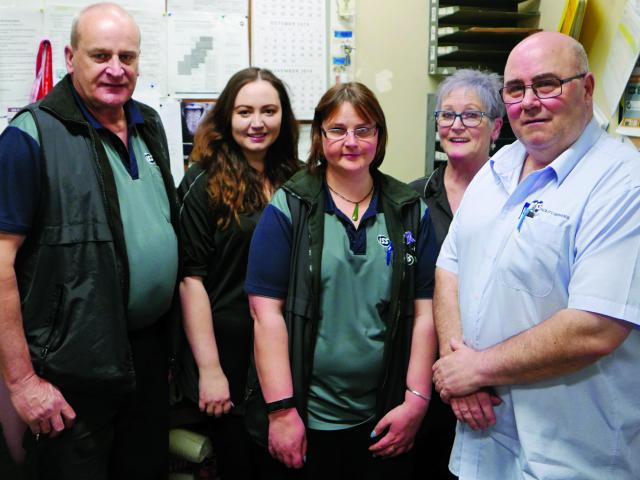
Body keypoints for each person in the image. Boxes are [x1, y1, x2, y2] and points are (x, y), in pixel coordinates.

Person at [431, 31, 640, 479]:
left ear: (586, 89)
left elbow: (596, 327)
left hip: (568, 456)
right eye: (515, 89)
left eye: (547, 84)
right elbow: (450, 264)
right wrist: (456, 362)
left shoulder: (623, 183)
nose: (530, 101)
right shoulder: (499, 166)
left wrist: (474, 370)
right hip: (481, 445)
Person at [0, 3, 179, 479]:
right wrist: (21, 383)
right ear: (69, 56)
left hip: (145, 359)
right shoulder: (30, 136)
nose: (116, 69)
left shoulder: (149, 124)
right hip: (69, 374)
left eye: (128, 56)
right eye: (101, 55)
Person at [244, 82, 439, 479]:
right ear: (319, 136)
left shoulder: (407, 213)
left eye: (363, 129)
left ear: (379, 136)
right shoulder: (291, 207)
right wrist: (281, 411)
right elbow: (265, 314)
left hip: (384, 415)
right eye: (337, 129)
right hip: (306, 416)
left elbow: (425, 312)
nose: (351, 141)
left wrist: (416, 401)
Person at [176, 67, 299, 479]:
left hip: (285, 353)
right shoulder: (202, 182)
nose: (258, 122)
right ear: (228, 116)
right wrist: (210, 371)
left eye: (269, 110)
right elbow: (190, 279)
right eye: (245, 111)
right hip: (226, 356)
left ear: (284, 116)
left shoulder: (299, 180)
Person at [409, 68, 503, 479]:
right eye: (447, 115)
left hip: (494, 378)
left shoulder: (517, 196)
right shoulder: (411, 198)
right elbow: (397, 267)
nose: (456, 125)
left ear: (496, 127)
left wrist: (474, 376)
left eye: (471, 115)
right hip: (423, 373)